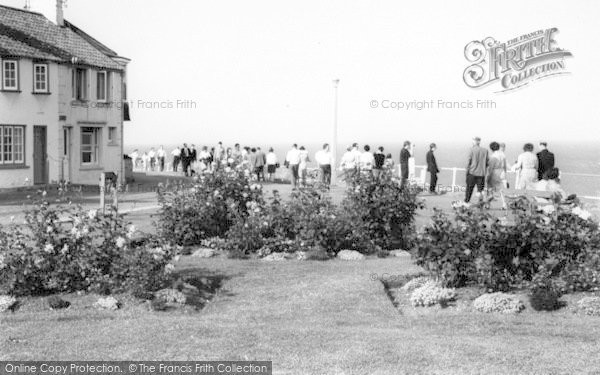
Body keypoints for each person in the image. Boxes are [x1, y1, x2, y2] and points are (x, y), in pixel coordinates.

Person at [465, 137, 489, 203]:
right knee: (480, 190)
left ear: (474, 142)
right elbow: (487, 162)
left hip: (472, 172)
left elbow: (468, 162)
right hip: (481, 173)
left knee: (469, 189)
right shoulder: (485, 150)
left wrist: (467, 171)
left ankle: (467, 201)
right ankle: (480, 203)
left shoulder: (471, 150)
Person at [487, 142, 507, 209]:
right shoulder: (502, 155)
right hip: (502, 171)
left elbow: (491, 167)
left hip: (495, 172)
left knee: (490, 187)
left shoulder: (493, 156)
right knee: (502, 189)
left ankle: (488, 204)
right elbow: (505, 165)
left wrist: (488, 176)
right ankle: (504, 204)